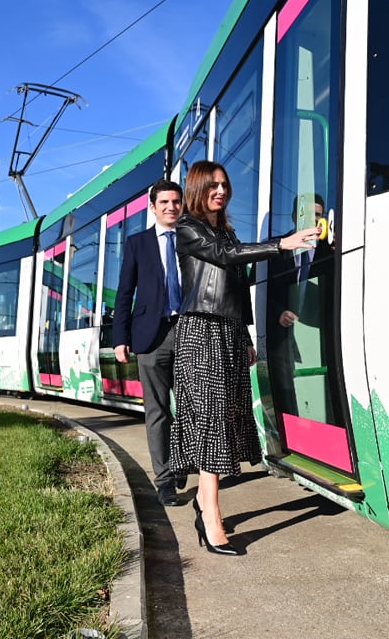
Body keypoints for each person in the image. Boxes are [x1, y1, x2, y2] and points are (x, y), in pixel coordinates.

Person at [170, 160, 320, 555]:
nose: (220, 191)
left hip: (230, 331)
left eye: (224, 185)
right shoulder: (188, 228)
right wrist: (283, 243)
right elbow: (225, 255)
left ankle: (205, 505)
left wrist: (248, 334)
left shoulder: (227, 231)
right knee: (212, 420)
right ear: (197, 189)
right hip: (201, 331)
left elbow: (237, 281)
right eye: (212, 186)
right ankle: (212, 516)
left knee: (226, 418)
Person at [113, 179, 186, 507]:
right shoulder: (137, 243)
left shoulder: (191, 238)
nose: (171, 207)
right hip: (150, 336)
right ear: (153, 207)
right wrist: (120, 338)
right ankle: (165, 480)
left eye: (176, 201)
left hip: (188, 331)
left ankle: (182, 457)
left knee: (192, 406)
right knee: (157, 412)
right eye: (165, 202)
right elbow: (124, 293)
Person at [265, 194, 335, 420]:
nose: (315, 220)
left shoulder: (332, 247)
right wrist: (279, 312)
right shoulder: (279, 247)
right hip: (286, 332)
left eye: (319, 215)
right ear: (295, 217)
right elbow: (268, 288)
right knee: (288, 385)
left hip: (319, 329)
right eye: (310, 215)